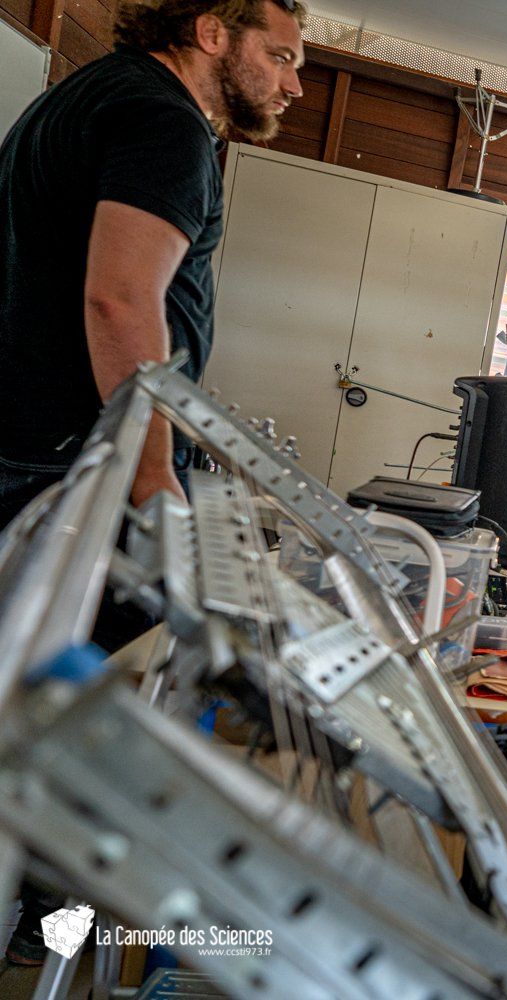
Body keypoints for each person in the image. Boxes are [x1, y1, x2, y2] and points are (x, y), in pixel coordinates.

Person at [0, 0, 306, 967]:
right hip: (61, 461)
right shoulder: (169, 123)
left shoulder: (81, 96)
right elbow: (121, 298)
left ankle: (41, 891)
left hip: (32, 445)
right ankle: (42, 897)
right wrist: (155, 483)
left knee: (48, 680)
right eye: (282, 56)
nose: (294, 83)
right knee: (65, 677)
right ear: (213, 32)